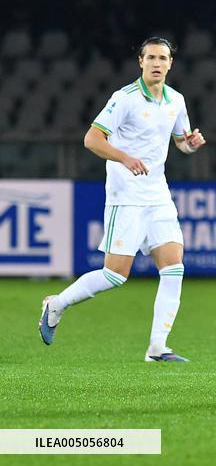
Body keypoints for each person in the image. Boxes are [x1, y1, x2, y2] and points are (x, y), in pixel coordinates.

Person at [39, 37, 206, 362]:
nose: (157, 63)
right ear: (140, 62)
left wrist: (191, 144)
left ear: (170, 64)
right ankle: (56, 304)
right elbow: (92, 139)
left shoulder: (176, 100)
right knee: (115, 275)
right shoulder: (124, 98)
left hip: (158, 195)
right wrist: (124, 158)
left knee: (174, 268)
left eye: (162, 58)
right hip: (126, 196)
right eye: (151, 57)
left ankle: (157, 347)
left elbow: (181, 143)